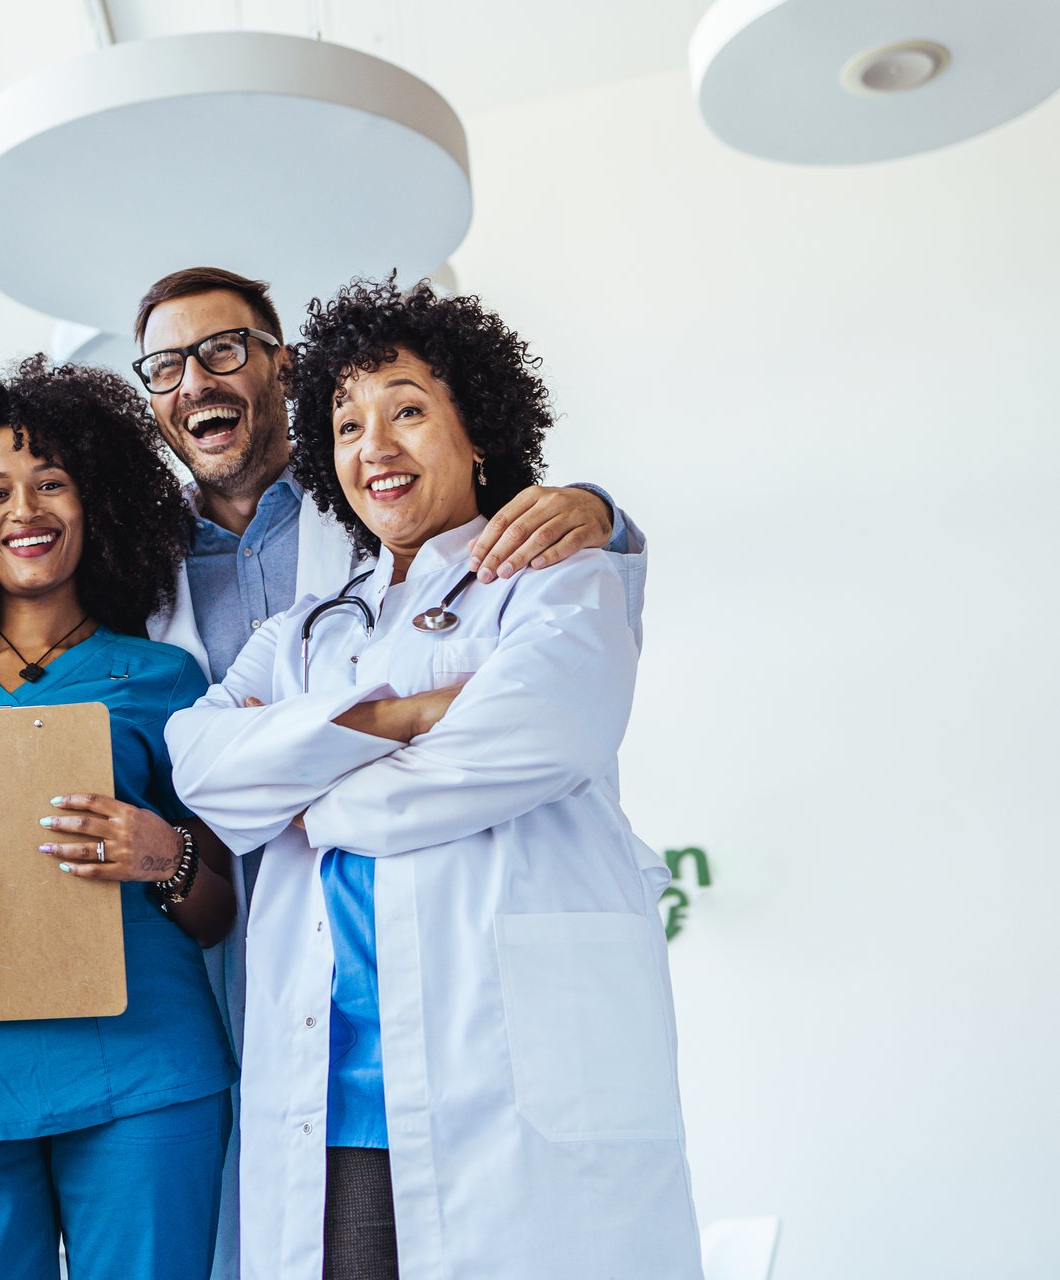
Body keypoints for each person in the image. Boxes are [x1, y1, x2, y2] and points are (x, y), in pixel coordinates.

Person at [165, 279, 699, 1279]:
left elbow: (529, 737)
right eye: (348, 421)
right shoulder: (306, 630)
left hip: (505, 1076)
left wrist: (308, 793)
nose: (377, 447)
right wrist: (402, 717)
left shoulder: (559, 583)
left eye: (408, 409)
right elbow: (204, 770)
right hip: (337, 1096)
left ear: (478, 431)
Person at [0, 357, 238, 1280]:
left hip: (144, 1074)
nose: (24, 510)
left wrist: (166, 855)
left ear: (96, 502)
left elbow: (218, 908)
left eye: (51, 482)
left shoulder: (167, 682)